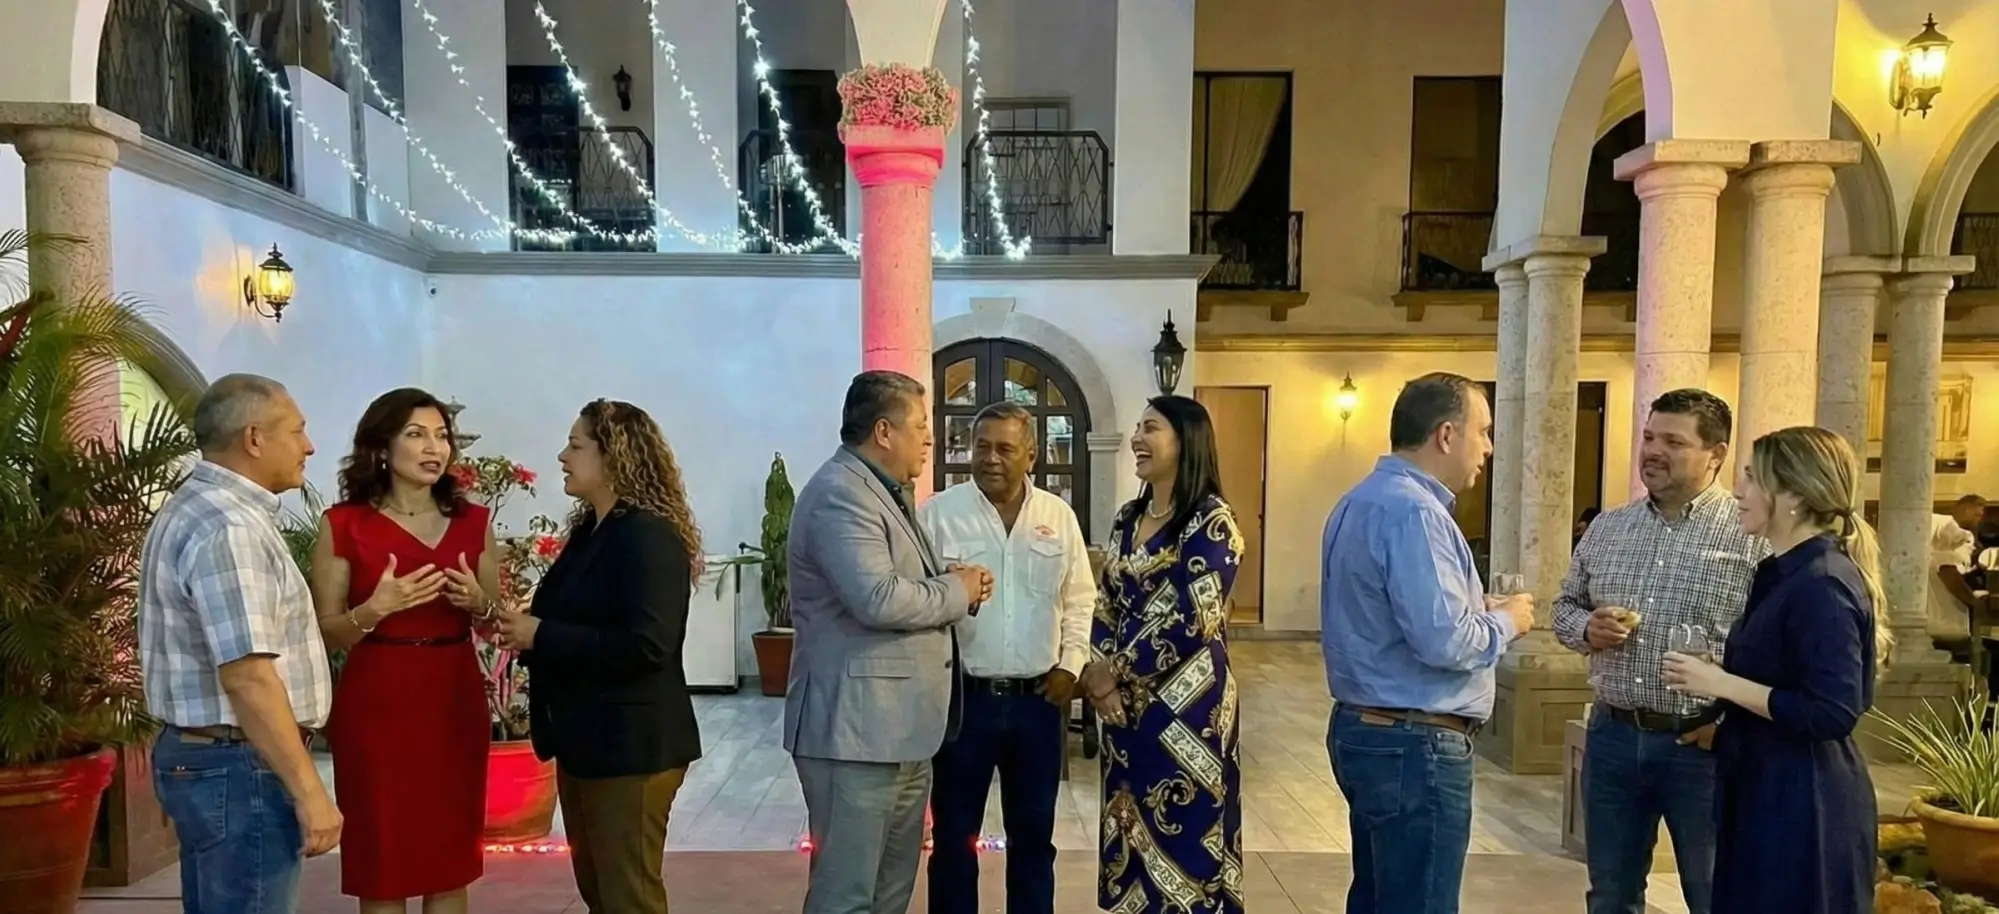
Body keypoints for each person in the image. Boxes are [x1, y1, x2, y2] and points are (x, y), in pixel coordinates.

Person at [1318, 372, 1533, 914]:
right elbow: (1445, 642)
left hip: (1373, 729)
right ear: (1445, 434)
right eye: (1482, 432)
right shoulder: (1413, 511)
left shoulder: (1360, 499)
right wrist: (1508, 621)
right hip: (1416, 742)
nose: (1487, 447)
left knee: (1378, 899)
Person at [784, 370, 992, 914]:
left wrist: (944, 577)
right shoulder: (839, 494)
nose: (929, 438)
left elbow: (890, 578)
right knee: (847, 895)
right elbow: (875, 597)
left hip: (897, 733)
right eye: (921, 426)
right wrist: (955, 588)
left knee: (889, 893)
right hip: (855, 734)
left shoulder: (884, 492)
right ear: (883, 431)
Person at [489, 399, 706, 914]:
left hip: (631, 747)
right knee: (602, 893)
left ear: (614, 456)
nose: (563, 455)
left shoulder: (648, 535)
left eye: (576, 444)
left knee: (628, 896)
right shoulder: (593, 530)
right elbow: (570, 620)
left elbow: (648, 645)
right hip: (588, 739)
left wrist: (541, 634)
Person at [1551, 389, 1762, 914]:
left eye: (1673, 441)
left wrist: (1730, 722)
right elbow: (1564, 607)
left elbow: (1771, 645)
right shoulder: (1608, 528)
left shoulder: (1749, 535)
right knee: (1611, 895)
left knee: (1716, 893)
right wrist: (1586, 627)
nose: (1653, 450)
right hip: (1613, 737)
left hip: (1702, 746)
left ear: (1715, 454)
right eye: (1648, 437)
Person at [1663, 426, 1889, 914]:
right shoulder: (1784, 573)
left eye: (1750, 477)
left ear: (1792, 495)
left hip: (1803, 807)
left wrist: (1721, 683)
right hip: (1766, 789)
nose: (1738, 491)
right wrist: (1719, 676)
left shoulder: (1822, 584)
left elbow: (1832, 711)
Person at [138, 373, 338, 914]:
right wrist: (310, 791)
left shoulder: (198, 506)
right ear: (254, 438)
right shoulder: (230, 527)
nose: (309, 446)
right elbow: (247, 675)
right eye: (297, 431)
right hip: (240, 762)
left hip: (219, 758)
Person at [309, 388, 497, 914]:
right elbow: (327, 631)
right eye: (416, 434)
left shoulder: (474, 522)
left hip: (452, 697)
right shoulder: (342, 524)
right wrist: (375, 609)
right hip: (378, 702)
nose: (434, 447)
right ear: (382, 447)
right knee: (384, 862)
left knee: (449, 859)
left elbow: (494, 624)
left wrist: (479, 603)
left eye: (441, 435)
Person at [918, 402, 1093, 914]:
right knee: (953, 840)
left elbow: (1080, 597)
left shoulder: (1057, 517)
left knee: (1034, 840)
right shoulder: (939, 515)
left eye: (1005, 448)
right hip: (963, 704)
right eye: (982, 446)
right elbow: (919, 597)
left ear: (1032, 455)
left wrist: (1071, 665)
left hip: (1037, 703)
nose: (990, 458)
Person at [1077, 394, 1245, 914]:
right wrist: (1097, 669)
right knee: (1130, 823)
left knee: (1188, 830)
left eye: (1150, 428)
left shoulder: (1213, 523)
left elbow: (1193, 620)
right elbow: (1103, 602)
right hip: (1127, 714)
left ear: (1185, 440)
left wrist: (1111, 675)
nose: (1136, 439)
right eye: (1136, 427)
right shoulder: (1127, 518)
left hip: (1189, 713)